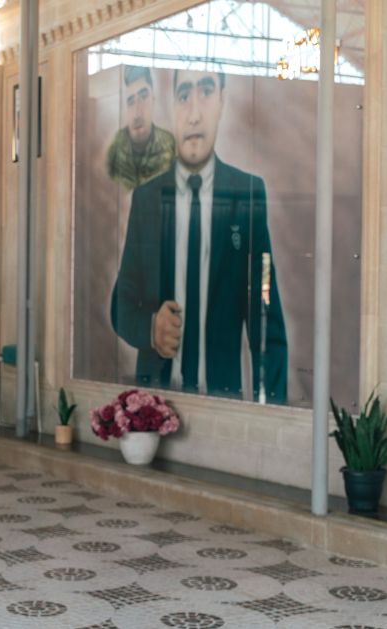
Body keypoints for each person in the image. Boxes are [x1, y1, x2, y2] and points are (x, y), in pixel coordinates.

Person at [110, 68, 288, 403]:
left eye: (205, 92)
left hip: (221, 406)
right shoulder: (147, 199)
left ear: (222, 100)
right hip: (155, 406)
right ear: (172, 108)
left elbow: (266, 315)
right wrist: (150, 328)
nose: (194, 114)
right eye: (184, 96)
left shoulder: (248, 195)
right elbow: (121, 304)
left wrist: (271, 411)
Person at [106, 65, 176, 190]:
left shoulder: (169, 145)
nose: (137, 114)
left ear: (153, 100)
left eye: (143, 97)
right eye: (131, 102)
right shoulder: (115, 149)